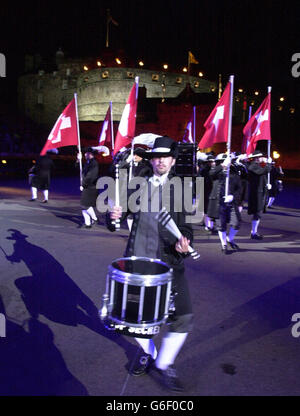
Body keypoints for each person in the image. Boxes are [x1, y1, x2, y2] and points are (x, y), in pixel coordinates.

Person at [107, 136, 194, 392]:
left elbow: (187, 227)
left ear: (173, 160)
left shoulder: (182, 189)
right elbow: (115, 218)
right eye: (156, 157)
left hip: (169, 266)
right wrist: (113, 217)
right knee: (133, 322)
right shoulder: (137, 186)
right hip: (137, 265)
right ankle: (152, 354)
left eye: (165, 156)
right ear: (152, 160)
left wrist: (185, 242)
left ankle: (164, 364)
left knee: (183, 317)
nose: (160, 161)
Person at [207, 153, 242, 253]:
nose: (227, 164)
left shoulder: (235, 175)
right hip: (218, 202)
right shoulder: (216, 173)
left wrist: (233, 196)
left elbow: (239, 189)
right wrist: (222, 166)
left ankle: (230, 239)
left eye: (228, 162)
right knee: (221, 225)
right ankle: (224, 244)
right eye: (222, 162)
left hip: (231, 203)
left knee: (236, 222)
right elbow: (211, 173)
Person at [247, 150, 272, 239]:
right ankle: (253, 233)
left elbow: (263, 175)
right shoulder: (253, 166)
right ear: (257, 158)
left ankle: (254, 232)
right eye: (261, 157)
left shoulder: (257, 166)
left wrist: (266, 185)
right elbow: (261, 172)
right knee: (257, 213)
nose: (263, 158)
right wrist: (268, 164)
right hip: (256, 194)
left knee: (258, 213)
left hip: (260, 192)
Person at [77, 147, 100, 228]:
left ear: (91, 154)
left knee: (85, 205)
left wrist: (83, 184)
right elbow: (80, 171)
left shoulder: (94, 163)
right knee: (85, 205)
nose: (85, 154)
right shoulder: (88, 162)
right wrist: (78, 160)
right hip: (87, 186)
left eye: (87, 153)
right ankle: (88, 223)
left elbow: (91, 176)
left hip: (91, 187)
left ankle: (94, 218)